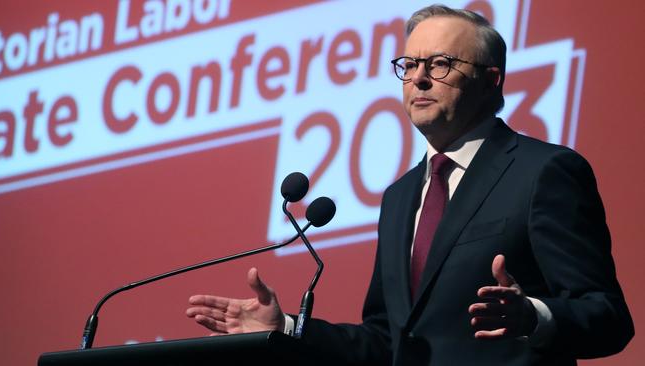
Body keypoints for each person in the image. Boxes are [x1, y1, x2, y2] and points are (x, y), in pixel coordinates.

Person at [185, 5, 633, 365]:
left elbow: (608, 317)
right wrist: (286, 328)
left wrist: (533, 316)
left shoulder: (545, 171)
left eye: (440, 64)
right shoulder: (400, 197)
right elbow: (386, 340)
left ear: (490, 80)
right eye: (409, 64)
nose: (418, 78)